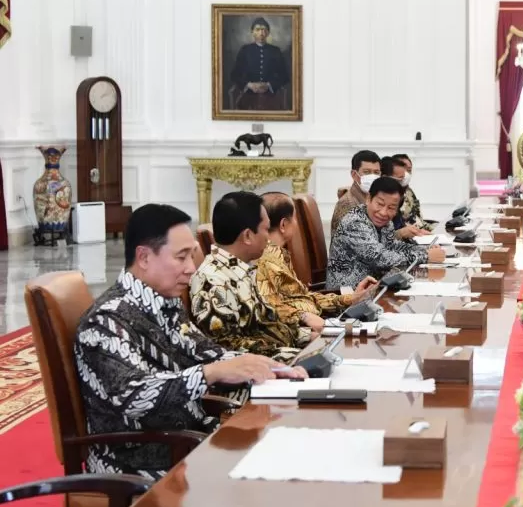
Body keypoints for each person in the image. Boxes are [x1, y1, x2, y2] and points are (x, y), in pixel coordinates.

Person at [74, 204, 306, 477]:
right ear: (144, 257)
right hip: (139, 461)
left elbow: (206, 353)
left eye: (191, 256)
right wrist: (210, 373)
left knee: (294, 447)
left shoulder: (163, 303)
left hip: (185, 440)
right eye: (181, 257)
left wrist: (269, 367)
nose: (191, 269)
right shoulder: (106, 321)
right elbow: (136, 395)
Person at [190, 191, 310, 360]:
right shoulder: (213, 282)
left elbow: (268, 325)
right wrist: (301, 357)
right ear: (247, 236)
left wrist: (312, 337)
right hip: (263, 372)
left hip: (282, 358)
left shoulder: (242, 269)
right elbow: (229, 349)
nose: (269, 238)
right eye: (266, 230)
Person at [256, 192, 378, 333]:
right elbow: (272, 310)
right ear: (284, 224)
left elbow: (304, 297)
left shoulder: (278, 254)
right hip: (305, 331)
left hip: (320, 320)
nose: (297, 224)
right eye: (295, 218)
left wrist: (350, 299)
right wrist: (306, 318)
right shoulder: (268, 261)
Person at [327, 176, 447, 290]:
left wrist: (425, 250)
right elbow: (379, 258)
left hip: (374, 288)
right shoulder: (355, 222)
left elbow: (393, 246)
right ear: (369, 199)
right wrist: (425, 256)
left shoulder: (386, 223)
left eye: (391, 208)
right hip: (347, 295)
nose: (384, 212)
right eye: (380, 204)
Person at [229, 17, 290, 112]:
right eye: (257, 30)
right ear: (252, 32)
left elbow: (285, 76)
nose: (261, 33)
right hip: (248, 96)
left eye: (264, 30)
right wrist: (249, 85)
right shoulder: (245, 50)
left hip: (271, 96)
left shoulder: (276, 51)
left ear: (268, 33)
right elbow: (234, 75)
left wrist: (268, 85)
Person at [331, 150, 380, 237]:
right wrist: (399, 234)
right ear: (354, 174)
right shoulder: (348, 205)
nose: (373, 177)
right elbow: (364, 244)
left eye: (376, 173)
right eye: (367, 172)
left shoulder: (368, 197)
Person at [380, 156, 428, 240]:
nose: (403, 183)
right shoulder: (379, 200)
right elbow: (379, 239)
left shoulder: (400, 195)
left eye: (409, 171)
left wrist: (416, 232)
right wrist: (401, 233)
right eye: (400, 180)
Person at [392, 153, 434, 232]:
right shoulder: (390, 194)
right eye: (403, 169)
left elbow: (418, 218)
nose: (406, 173)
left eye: (409, 170)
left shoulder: (409, 191)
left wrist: (434, 230)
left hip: (420, 232)